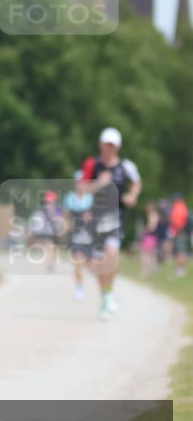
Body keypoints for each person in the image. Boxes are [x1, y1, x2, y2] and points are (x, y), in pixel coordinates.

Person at [82, 127, 142, 320]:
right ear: (100, 145)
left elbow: (136, 182)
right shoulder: (92, 165)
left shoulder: (126, 166)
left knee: (112, 256)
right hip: (96, 217)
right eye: (106, 145)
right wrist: (98, 184)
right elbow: (81, 188)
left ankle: (108, 294)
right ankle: (105, 296)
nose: (108, 149)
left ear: (117, 147)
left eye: (112, 146)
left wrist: (132, 195)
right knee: (100, 262)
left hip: (116, 217)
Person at [63, 171, 95, 299]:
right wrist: (67, 224)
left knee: (89, 263)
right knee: (77, 260)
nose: (80, 185)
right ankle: (80, 288)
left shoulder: (92, 198)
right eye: (78, 182)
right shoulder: (70, 198)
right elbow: (65, 215)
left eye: (82, 182)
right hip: (76, 233)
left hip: (89, 234)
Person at [27, 190, 65, 273]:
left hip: (52, 231)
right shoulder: (40, 210)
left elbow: (60, 221)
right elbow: (34, 221)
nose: (49, 202)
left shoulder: (57, 209)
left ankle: (50, 262)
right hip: (45, 232)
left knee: (51, 248)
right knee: (49, 247)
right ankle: (49, 263)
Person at [140, 203, 159, 279]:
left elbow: (152, 227)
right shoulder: (155, 215)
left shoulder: (152, 215)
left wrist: (145, 230)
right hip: (153, 236)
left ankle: (146, 270)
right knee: (152, 254)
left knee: (145, 254)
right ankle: (154, 269)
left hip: (149, 236)